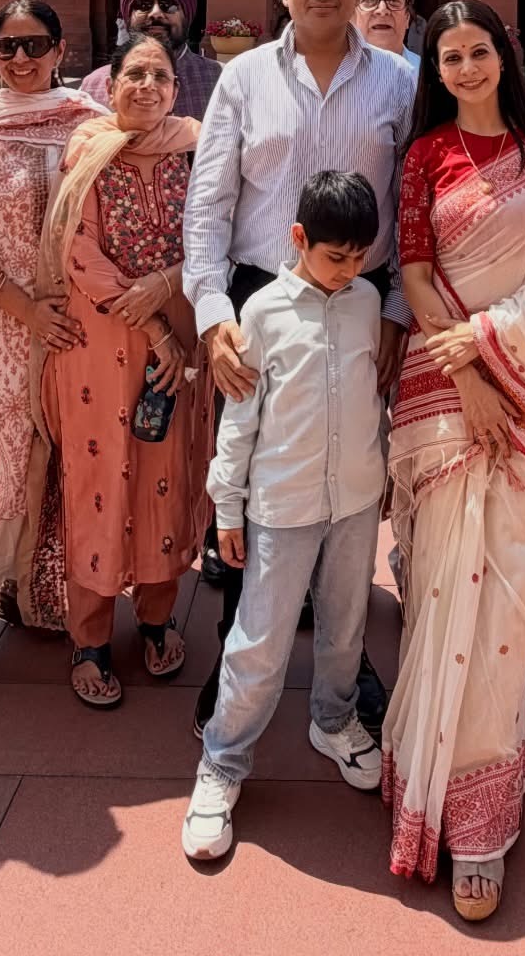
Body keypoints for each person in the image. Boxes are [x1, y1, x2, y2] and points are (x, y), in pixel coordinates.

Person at [385, 0, 525, 922]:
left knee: (509, 596)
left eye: (478, 52)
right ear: (434, 70)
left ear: (504, 56)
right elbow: (415, 273)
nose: (465, 68)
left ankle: (480, 812)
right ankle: (429, 773)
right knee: (439, 581)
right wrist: (469, 371)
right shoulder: (425, 156)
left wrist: (494, 340)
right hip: (444, 387)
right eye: (449, 57)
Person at [184, 0, 415, 727]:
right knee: (256, 477)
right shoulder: (244, 77)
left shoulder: (398, 81)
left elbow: (412, 206)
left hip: (361, 297)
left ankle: (345, 667)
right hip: (260, 298)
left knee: (350, 473)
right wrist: (212, 314)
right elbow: (209, 202)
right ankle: (236, 658)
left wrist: (397, 309)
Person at [182, 172, 388, 861]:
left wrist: (381, 471)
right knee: (259, 643)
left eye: (360, 257)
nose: (348, 270)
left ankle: (333, 720)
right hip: (282, 506)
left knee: (345, 628)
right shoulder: (263, 313)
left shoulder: (366, 303)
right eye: (335, 256)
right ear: (298, 238)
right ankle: (221, 761)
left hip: (355, 500)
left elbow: (372, 398)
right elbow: (238, 421)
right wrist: (228, 508)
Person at [0, 0, 105, 675]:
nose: (22, 59)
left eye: (35, 45)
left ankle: (39, 589)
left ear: (61, 51)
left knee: (64, 453)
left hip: (73, 320)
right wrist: (23, 307)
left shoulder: (90, 123)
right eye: (8, 47)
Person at [38, 34, 212, 707]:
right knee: (99, 477)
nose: (146, 86)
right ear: (110, 87)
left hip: (179, 334)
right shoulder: (88, 148)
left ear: (175, 87)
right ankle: (88, 636)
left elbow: (216, 234)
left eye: (159, 75)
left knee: (167, 475)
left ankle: (157, 617)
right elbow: (75, 247)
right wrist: (151, 324)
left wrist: (167, 285)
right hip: (101, 342)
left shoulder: (197, 146)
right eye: (133, 74)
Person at [81, 0, 220, 119]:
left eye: (169, 5)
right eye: (143, 4)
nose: (156, 13)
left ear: (186, 15)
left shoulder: (219, 79)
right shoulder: (94, 86)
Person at [355, 0, 422, 72]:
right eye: (370, 0)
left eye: (393, 0)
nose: (382, 10)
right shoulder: (330, 74)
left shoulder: (426, 75)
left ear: (407, 16)